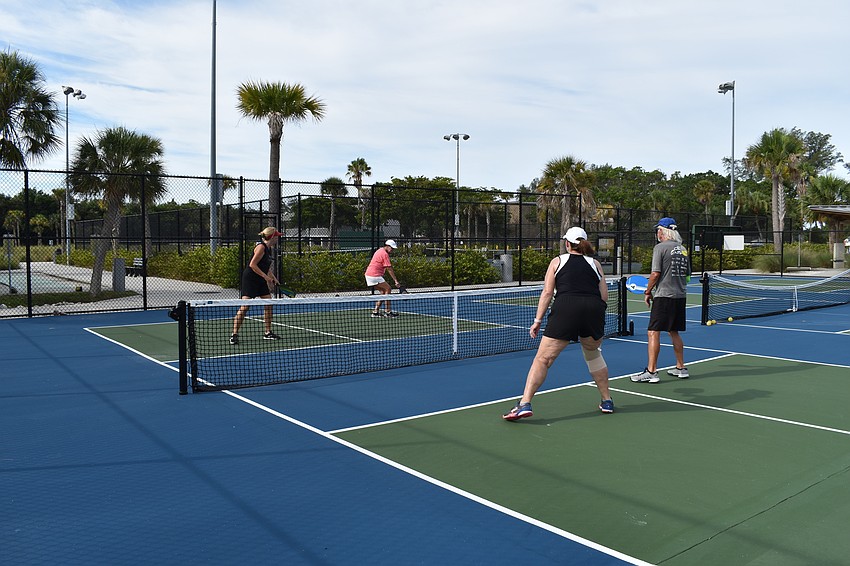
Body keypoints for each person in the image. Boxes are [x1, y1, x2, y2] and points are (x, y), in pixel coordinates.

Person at [503, 227, 614, 420]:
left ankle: (524, 404)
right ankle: (606, 400)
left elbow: (547, 293)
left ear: (568, 244)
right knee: (593, 354)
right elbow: (604, 296)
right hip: (593, 309)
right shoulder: (595, 263)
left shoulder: (557, 261)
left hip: (566, 307)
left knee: (543, 359)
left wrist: (537, 321)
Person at [631, 217, 690, 383]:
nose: (657, 232)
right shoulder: (683, 249)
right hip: (680, 296)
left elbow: (655, 273)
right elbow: (687, 275)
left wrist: (648, 291)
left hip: (664, 296)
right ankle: (681, 367)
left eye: (658, 229)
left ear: (664, 231)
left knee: (653, 332)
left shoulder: (660, 248)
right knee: (674, 331)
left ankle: (651, 371)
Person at [230, 227, 282, 344]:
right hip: (250, 279)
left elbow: (265, 267)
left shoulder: (268, 249)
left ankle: (268, 332)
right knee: (245, 307)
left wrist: (273, 278)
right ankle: (234, 334)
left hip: (260, 279)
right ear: (272, 237)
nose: (278, 238)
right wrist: (266, 278)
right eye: (277, 236)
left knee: (268, 304)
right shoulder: (261, 247)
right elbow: (253, 265)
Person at [364, 239, 401, 317]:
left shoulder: (379, 250)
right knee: (388, 289)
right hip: (374, 275)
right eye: (392, 248)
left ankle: (375, 312)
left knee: (383, 292)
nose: (392, 250)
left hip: (369, 275)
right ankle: (388, 311)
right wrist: (396, 281)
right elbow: (389, 268)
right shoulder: (384, 254)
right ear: (387, 246)